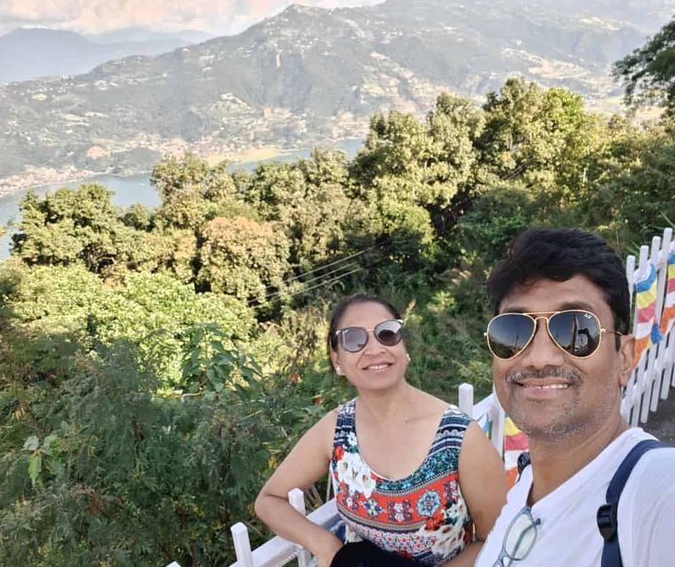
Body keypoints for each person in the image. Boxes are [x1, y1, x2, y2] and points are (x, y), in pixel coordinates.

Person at [255, 293, 507, 567]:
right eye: (354, 339)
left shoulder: (459, 438)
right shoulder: (337, 430)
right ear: (336, 359)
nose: (374, 348)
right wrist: (324, 543)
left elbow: (495, 538)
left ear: (404, 348)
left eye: (387, 333)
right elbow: (269, 500)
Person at [474, 228, 675, 567]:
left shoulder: (654, 492)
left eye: (575, 329)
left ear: (624, 358)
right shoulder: (525, 486)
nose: (539, 357)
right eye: (514, 330)